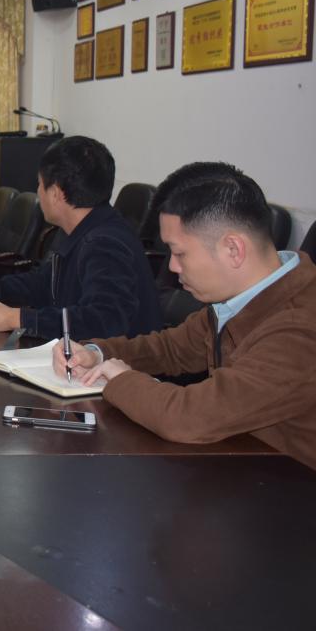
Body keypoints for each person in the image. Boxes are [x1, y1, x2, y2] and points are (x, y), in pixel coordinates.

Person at [54, 162, 316, 470]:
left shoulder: (300, 330)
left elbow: (188, 418)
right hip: (242, 463)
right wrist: (96, 353)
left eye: (179, 253)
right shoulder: (241, 300)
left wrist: (121, 379)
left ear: (233, 249)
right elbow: (170, 349)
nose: (172, 267)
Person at [0, 136, 162, 339]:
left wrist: (14, 318)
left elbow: (103, 320)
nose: (38, 191)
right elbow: (44, 283)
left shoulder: (104, 243)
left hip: (115, 364)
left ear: (55, 194)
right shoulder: (80, 228)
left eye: (39, 184)